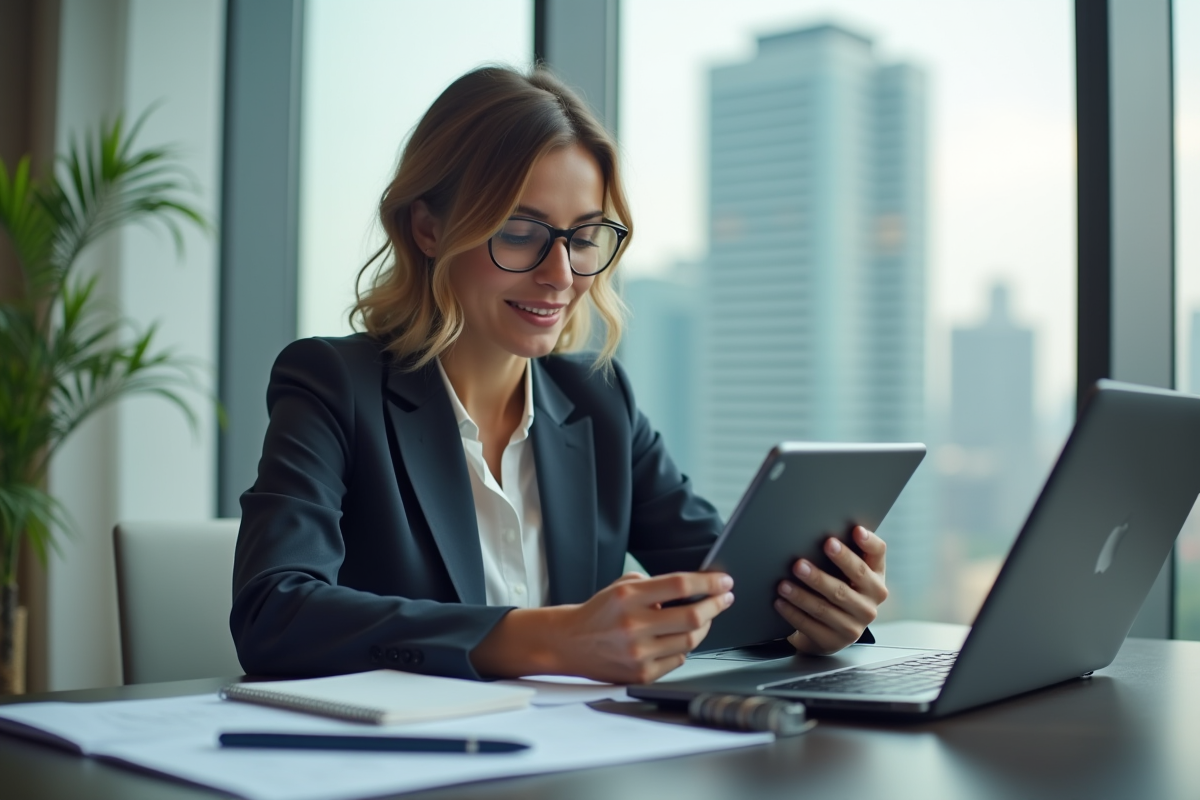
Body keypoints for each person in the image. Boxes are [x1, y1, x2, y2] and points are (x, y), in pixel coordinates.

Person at [230, 66, 890, 685]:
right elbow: (274, 614)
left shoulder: (599, 401)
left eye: (584, 237)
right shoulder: (332, 385)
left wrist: (817, 614)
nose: (562, 274)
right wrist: (548, 639)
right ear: (428, 227)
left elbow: (723, 587)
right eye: (521, 231)